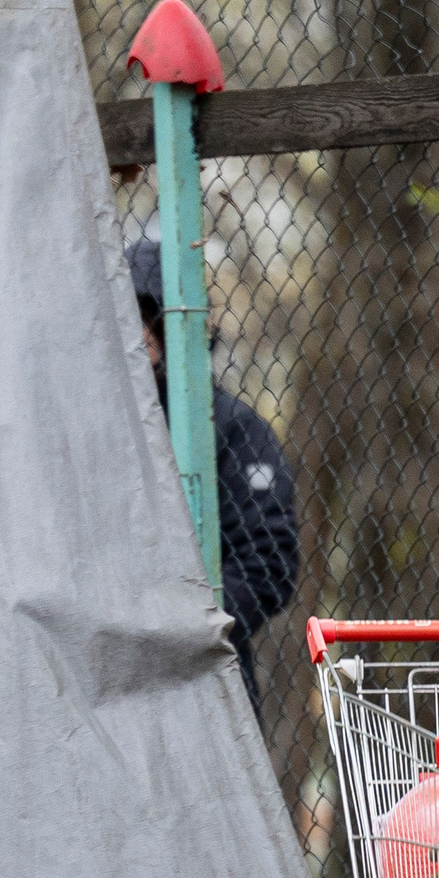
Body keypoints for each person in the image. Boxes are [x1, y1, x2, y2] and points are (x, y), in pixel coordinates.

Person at [124, 240, 297, 713]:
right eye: (126, 316)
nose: (139, 335)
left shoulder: (233, 428)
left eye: (151, 316)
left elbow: (268, 562)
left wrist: (182, 628)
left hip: (206, 677)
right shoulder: (90, 430)